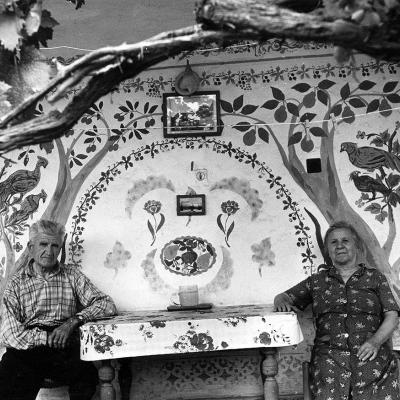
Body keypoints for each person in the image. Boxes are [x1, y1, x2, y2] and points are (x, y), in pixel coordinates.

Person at [274, 221, 400, 400]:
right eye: (334, 242)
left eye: (345, 240)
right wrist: (281, 301)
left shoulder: (375, 277)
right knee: (328, 391)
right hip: (330, 358)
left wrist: (375, 342)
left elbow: (392, 315)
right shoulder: (317, 281)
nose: (339, 245)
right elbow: (284, 297)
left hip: (371, 354)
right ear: (328, 250)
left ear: (356, 245)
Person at [0, 219, 117, 400]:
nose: (49, 251)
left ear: (60, 248)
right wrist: (46, 338)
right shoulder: (16, 283)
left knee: (86, 376)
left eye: (55, 245)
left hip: (64, 346)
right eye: (43, 244)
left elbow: (106, 304)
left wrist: (72, 322)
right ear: (31, 247)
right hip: (29, 347)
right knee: (8, 379)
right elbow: (8, 334)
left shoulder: (72, 275)